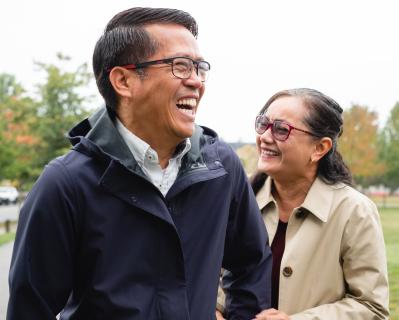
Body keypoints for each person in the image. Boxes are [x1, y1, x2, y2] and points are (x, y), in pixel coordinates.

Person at [8, 7, 271, 319]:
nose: (197, 82)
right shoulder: (65, 184)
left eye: (200, 68)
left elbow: (251, 264)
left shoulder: (220, 166)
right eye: (181, 66)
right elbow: (29, 309)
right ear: (123, 80)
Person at [217, 88, 389, 319]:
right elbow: (211, 281)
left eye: (281, 129)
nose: (265, 137)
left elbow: (371, 307)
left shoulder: (354, 211)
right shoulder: (238, 198)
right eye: (263, 124)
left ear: (320, 148)